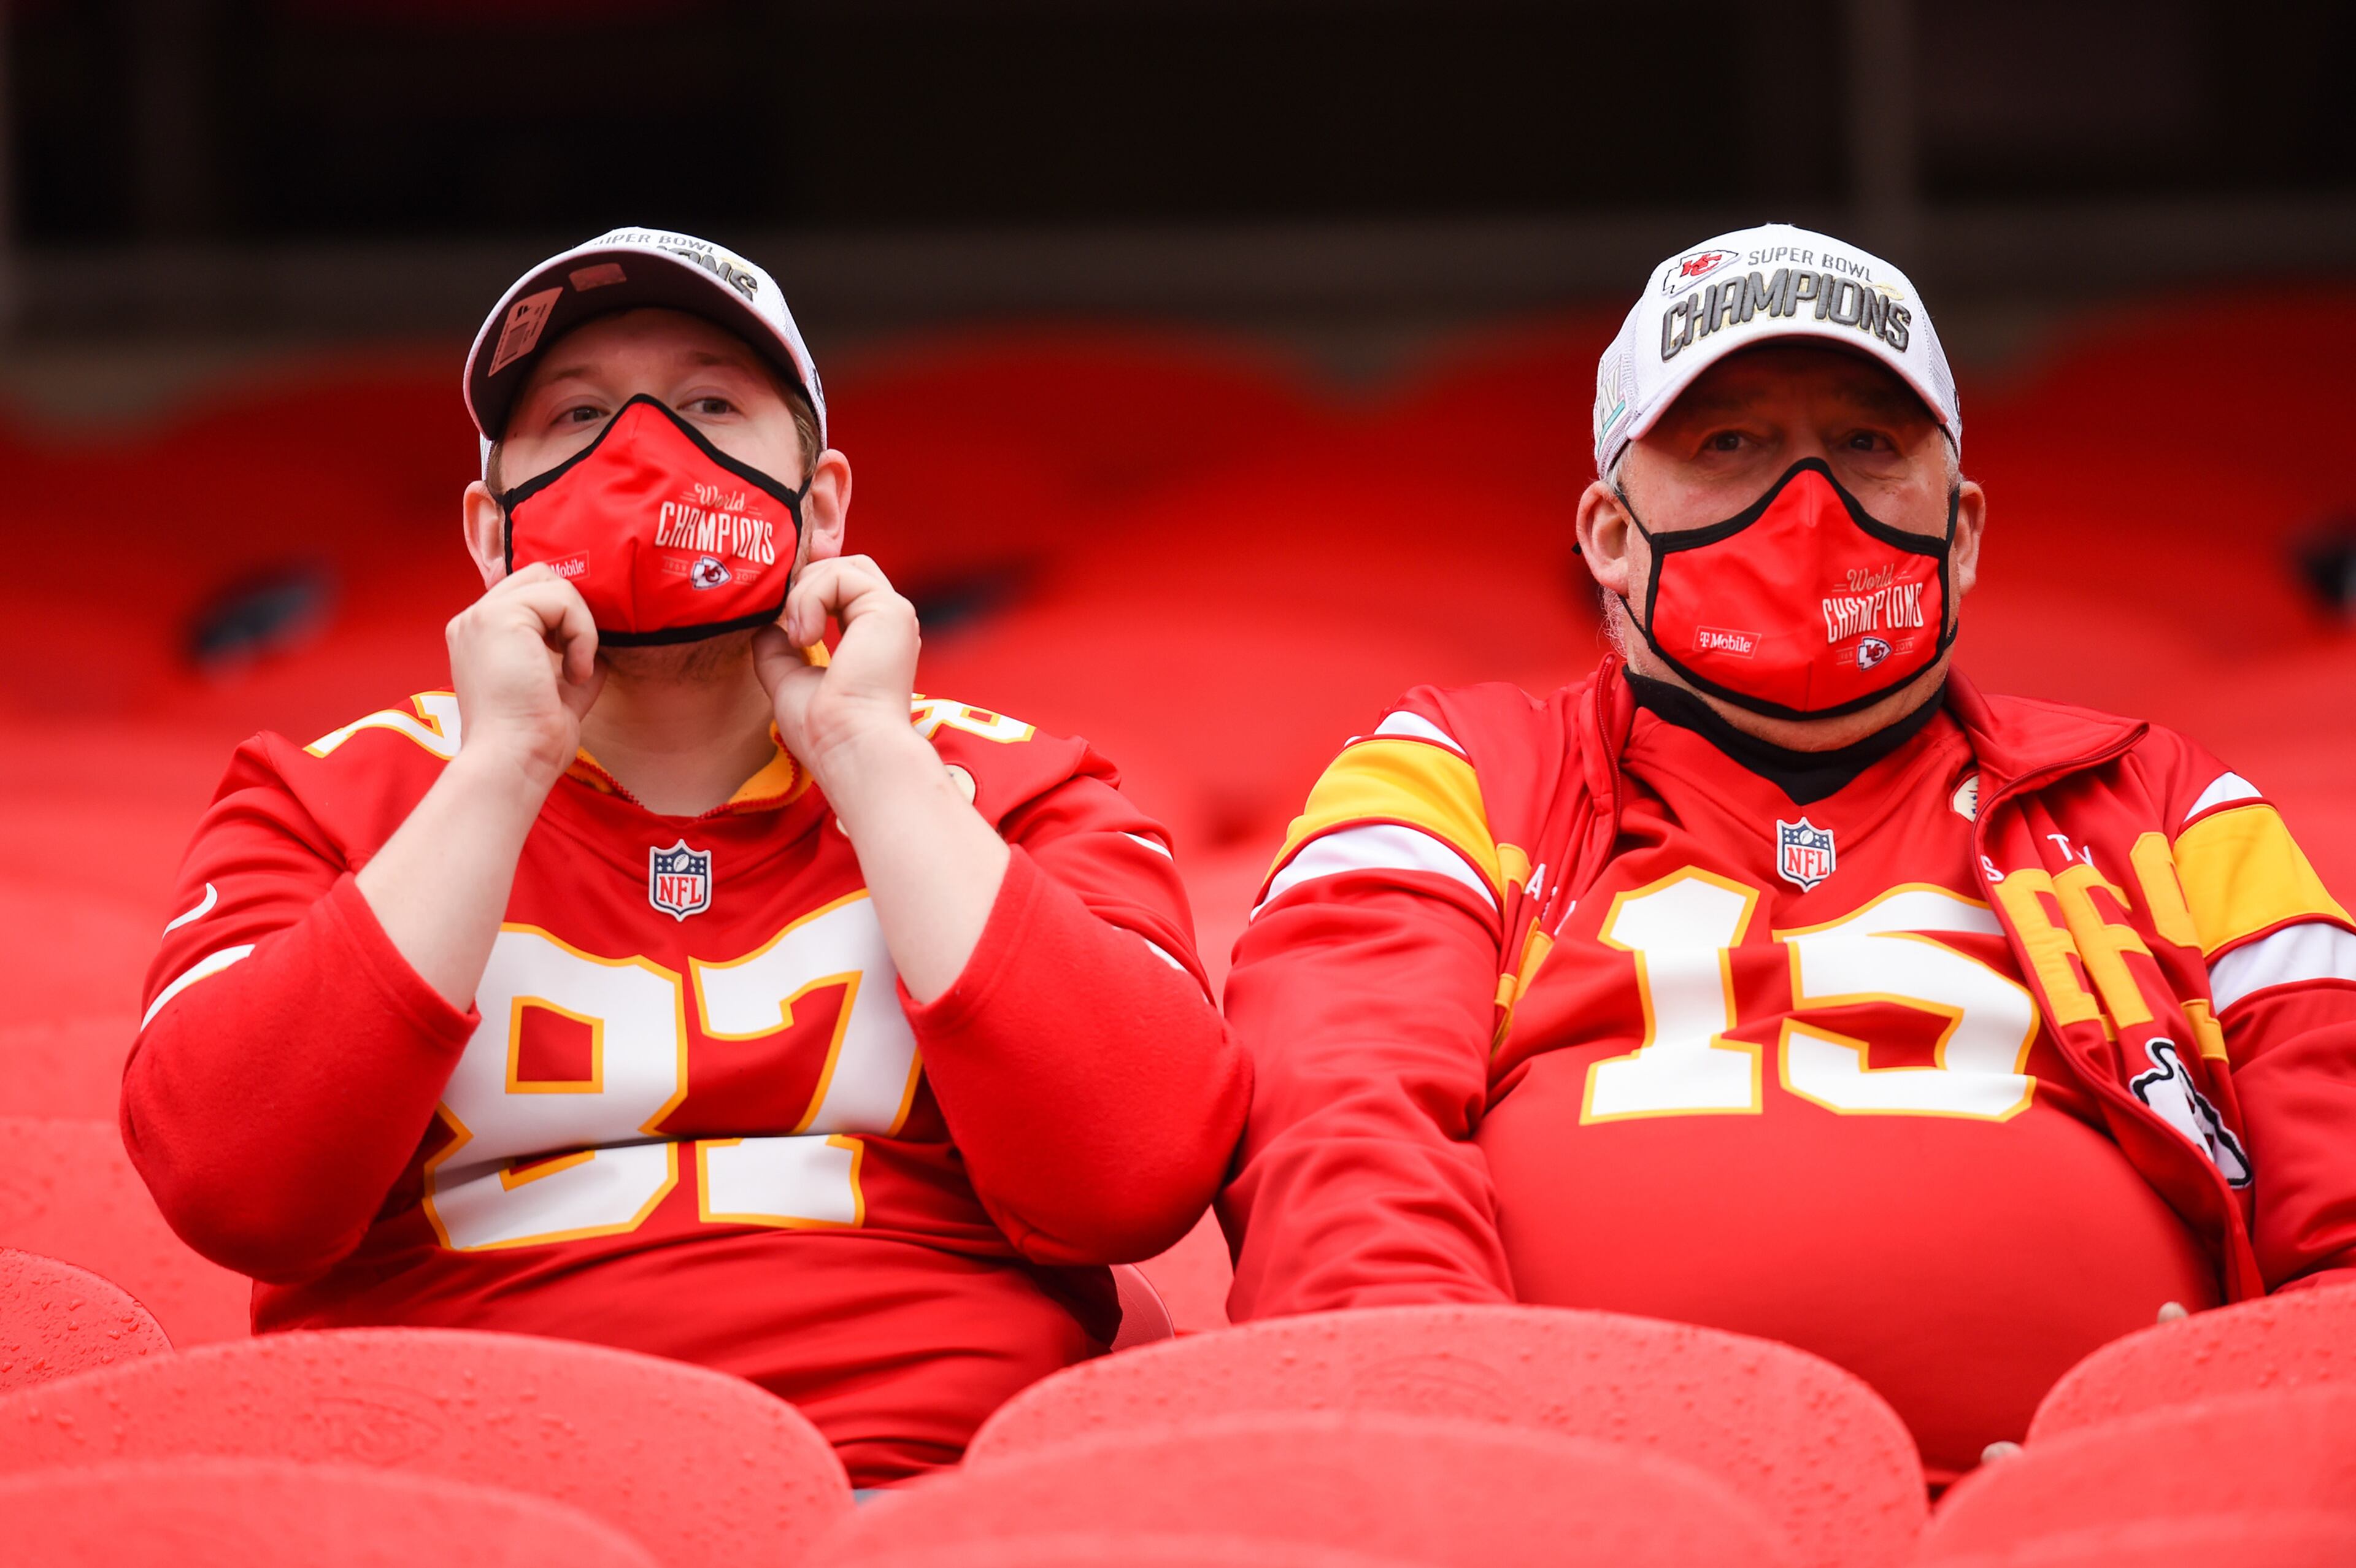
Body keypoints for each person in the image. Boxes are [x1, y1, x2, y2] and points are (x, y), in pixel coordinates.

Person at [1218, 221, 2356, 1485]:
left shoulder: (2164, 802)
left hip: (2105, 1516)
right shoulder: (1450, 771)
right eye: (1729, 443)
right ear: (1606, 531)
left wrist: (2226, 1437)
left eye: (1868, 443)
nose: (1805, 502)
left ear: (1964, 531)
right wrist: (1485, 1474)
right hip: (1567, 1518)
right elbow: (1335, 1137)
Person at [125, 227, 1250, 1486]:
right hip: (465, 1498)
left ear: (822, 506)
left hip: (934, 1492)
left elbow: (1133, 1177)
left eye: (711, 402)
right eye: (577, 417)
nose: (645, 455)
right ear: (491, 532)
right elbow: (237, 1189)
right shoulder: (324, 794)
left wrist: (871, 756)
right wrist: (500, 769)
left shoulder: (1022, 786)